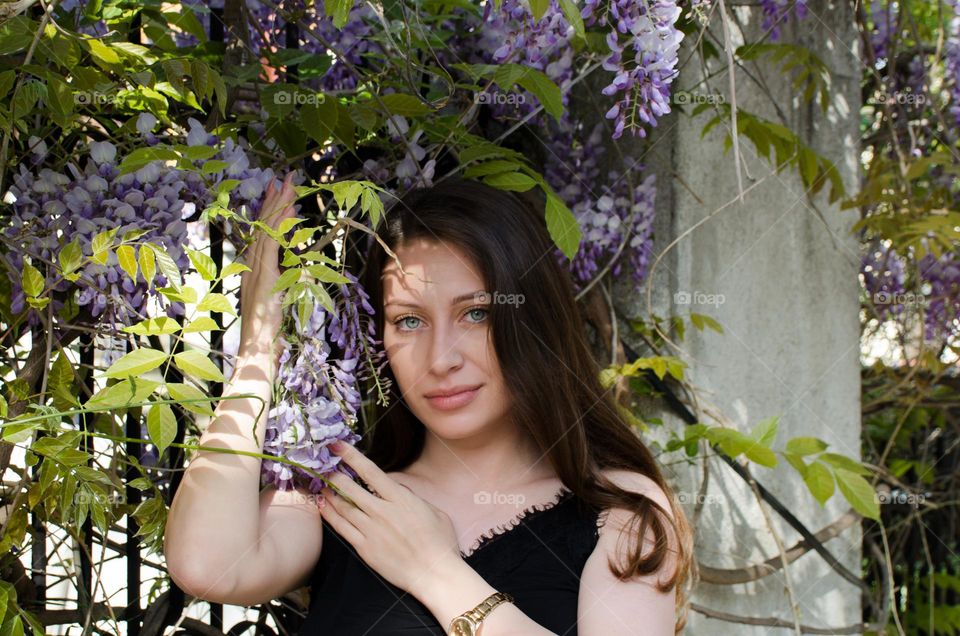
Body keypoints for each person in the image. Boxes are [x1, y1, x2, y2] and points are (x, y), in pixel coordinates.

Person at [164, 175, 694, 635]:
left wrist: (435, 572)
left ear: (533, 320)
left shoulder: (618, 509)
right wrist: (258, 352)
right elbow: (207, 562)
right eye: (409, 321)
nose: (441, 360)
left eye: (476, 314)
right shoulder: (344, 492)